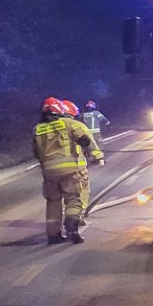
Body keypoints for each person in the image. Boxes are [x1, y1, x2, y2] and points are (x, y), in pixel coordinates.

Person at [33, 96, 104, 244]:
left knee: (53, 202)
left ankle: (53, 236)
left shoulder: (37, 129)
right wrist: (96, 155)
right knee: (73, 199)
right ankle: (71, 227)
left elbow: (36, 152)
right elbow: (85, 139)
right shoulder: (69, 123)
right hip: (69, 170)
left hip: (48, 173)